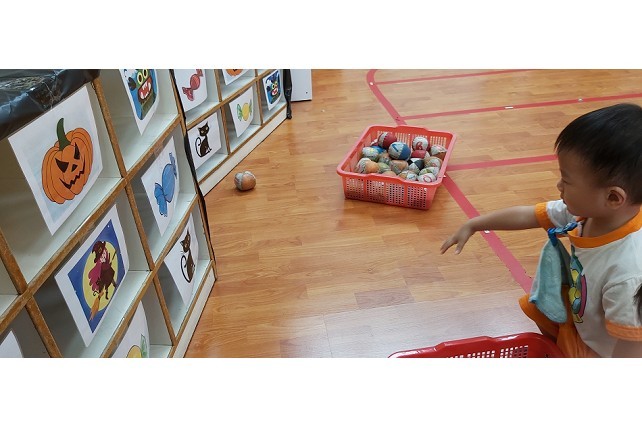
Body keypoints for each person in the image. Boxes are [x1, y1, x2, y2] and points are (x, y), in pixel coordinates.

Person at [440, 103, 642, 357]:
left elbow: (632, 351)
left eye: (566, 180)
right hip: (585, 322)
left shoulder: (628, 274)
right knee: (539, 306)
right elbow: (528, 215)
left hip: (602, 352)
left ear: (613, 197)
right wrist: (475, 224)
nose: (558, 185)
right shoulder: (588, 214)